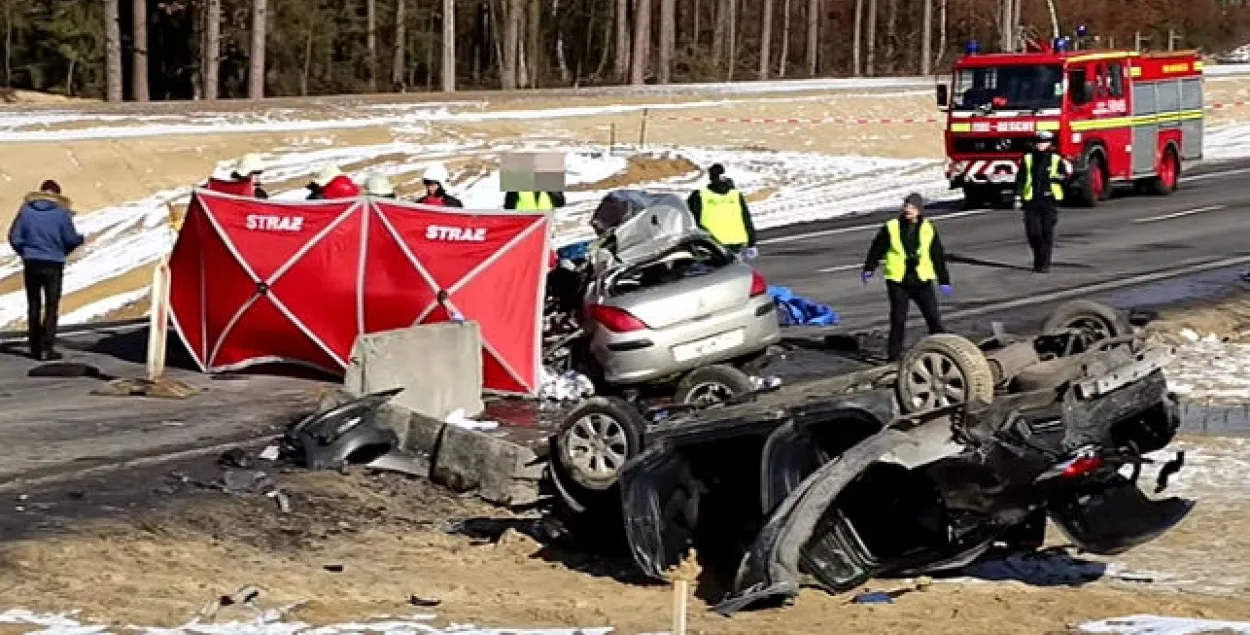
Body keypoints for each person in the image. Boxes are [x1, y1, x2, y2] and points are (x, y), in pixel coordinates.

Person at [861, 193, 952, 363]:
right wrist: (869, 267)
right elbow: (877, 248)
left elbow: (937, 255)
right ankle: (894, 356)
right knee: (898, 319)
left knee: (933, 317)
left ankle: (945, 351)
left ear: (919, 211)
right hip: (898, 281)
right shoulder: (892, 227)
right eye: (906, 206)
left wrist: (944, 280)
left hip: (921, 281)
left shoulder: (928, 228)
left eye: (912, 207)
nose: (907, 210)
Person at [8, 180, 84, 361]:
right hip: (53, 263)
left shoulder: (26, 211)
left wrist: (25, 252)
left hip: (31, 262)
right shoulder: (61, 213)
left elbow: (14, 237)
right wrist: (72, 244)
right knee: (51, 306)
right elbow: (70, 238)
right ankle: (47, 348)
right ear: (57, 194)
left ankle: (34, 346)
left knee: (33, 304)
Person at [1015, 130, 1072, 273]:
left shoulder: (1055, 158)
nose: (1041, 145)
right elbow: (1021, 178)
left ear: (1049, 143)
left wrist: (1058, 178)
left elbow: (1065, 177)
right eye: (1039, 142)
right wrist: (1018, 196)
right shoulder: (1027, 158)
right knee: (1033, 234)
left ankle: (1043, 264)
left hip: (1049, 201)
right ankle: (1038, 256)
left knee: (1047, 233)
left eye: (1044, 142)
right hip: (1031, 201)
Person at [687, 163, 757, 259]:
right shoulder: (735, 195)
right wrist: (752, 242)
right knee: (737, 271)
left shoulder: (700, 195)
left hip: (712, 244)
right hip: (737, 242)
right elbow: (746, 218)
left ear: (710, 177)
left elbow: (691, 219)